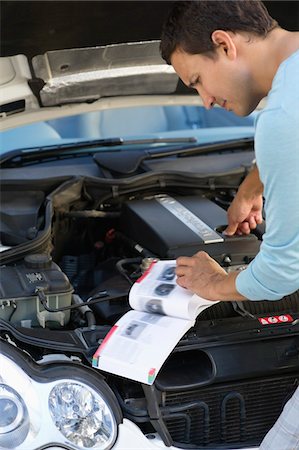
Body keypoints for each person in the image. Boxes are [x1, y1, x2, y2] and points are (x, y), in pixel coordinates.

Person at [160, 1, 299, 449]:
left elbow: (281, 273)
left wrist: (213, 282)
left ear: (224, 44)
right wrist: (255, 181)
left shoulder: (282, 117)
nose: (204, 100)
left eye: (197, 80)